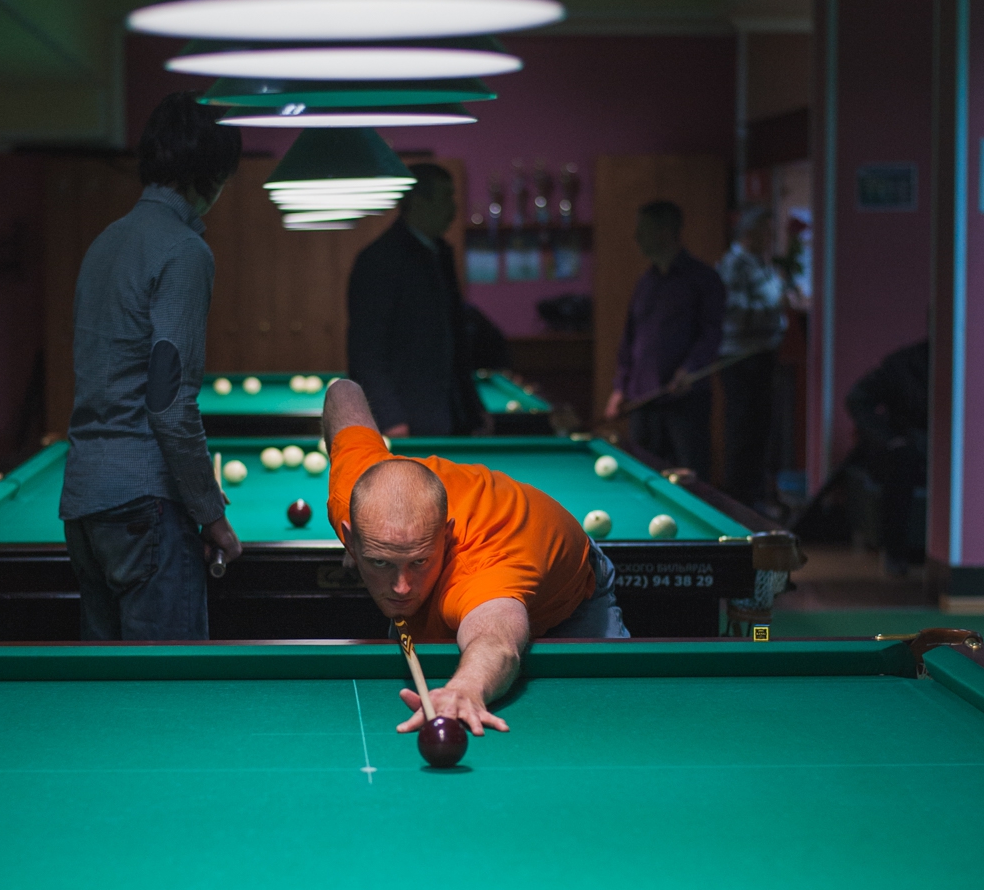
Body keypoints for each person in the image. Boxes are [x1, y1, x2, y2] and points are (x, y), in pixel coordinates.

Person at [323, 377, 628, 740]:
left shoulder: (480, 573)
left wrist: (467, 688)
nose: (401, 587)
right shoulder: (352, 487)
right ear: (351, 538)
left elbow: (497, 640)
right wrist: (365, 552)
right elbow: (343, 392)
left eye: (419, 562)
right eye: (381, 562)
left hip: (569, 595)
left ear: (447, 536)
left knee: (609, 714)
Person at [60, 93, 244, 641]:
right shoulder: (185, 251)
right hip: (145, 505)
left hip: (84, 502)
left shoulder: (103, 243)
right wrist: (210, 514)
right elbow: (168, 402)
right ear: (212, 173)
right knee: (170, 684)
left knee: (110, 685)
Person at [346, 162, 485, 437]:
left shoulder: (440, 253)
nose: (454, 208)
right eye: (446, 197)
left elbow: (455, 342)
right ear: (418, 202)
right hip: (409, 422)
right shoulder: (379, 260)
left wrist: (474, 409)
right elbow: (365, 351)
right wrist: (389, 418)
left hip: (450, 417)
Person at [603, 199, 724, 477]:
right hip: (643, 401)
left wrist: (690, 369)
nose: (636, 237)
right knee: (643, 474)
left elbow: (711, 334)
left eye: (642, 229)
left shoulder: (703, 279)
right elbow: (630, 339)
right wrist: (620, 388)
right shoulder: (646, 282)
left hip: (685, 402)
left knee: (691, 480)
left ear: (664, 232)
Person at [717, 203, 788, 511]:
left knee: (760, 432)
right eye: (767, 232)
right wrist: (775, 307)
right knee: (743, 432)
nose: (771, 238)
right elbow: (734, 311)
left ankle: (755, 499)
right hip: (741, 359)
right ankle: (739, 503)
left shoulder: (759, 263)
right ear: (749, 233)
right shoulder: (735, 264)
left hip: (760, 356)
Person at [846, 338, 929, 574]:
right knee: (902, 462)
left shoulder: (966, 362)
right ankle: (894, 553)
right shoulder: (903, 363)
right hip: (905, 448)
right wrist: (889, 439)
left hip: (950, 448)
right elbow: (857, 399)